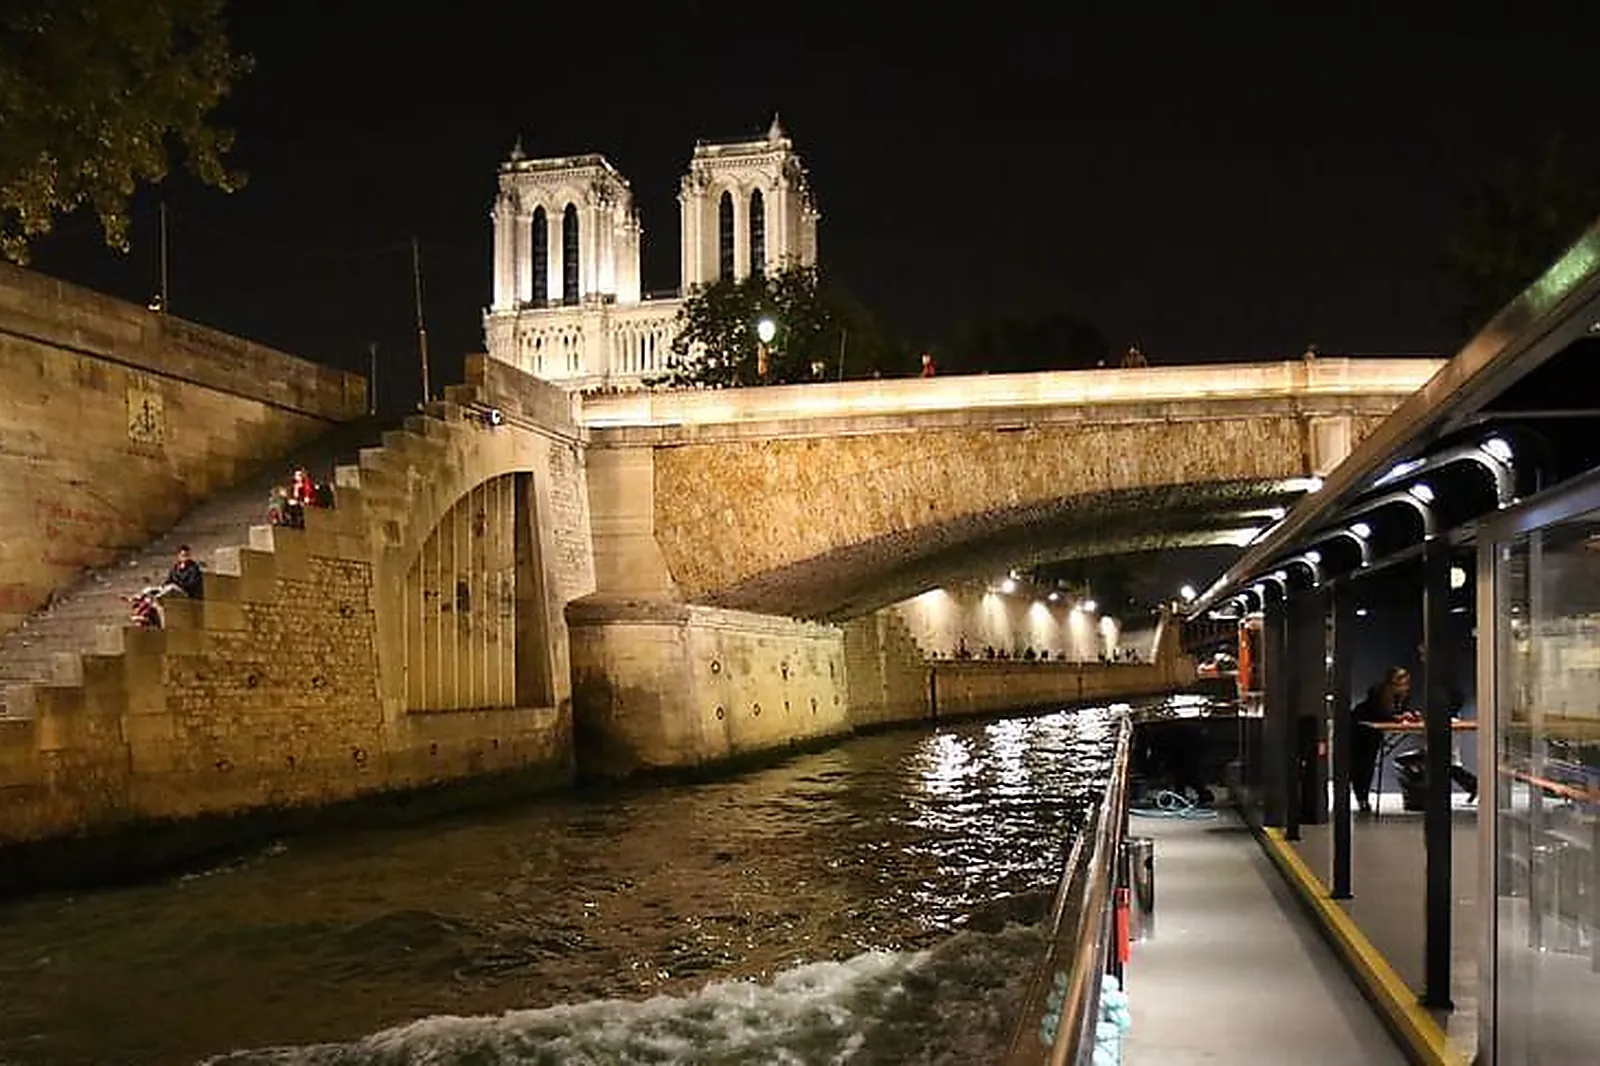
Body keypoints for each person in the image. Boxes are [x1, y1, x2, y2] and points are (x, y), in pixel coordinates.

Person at [1350, 666, 1412, 814]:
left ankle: (1362, 798)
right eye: (1402, 683)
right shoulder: (1378, 692)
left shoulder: (1401, 696)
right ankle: (1362, 798)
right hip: (1359, 727)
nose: (1405, 687)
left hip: (1374, 730)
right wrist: (1398, 718)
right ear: (1393, 683)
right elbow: (1379, 714)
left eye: (1406, 683)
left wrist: (1406, 715)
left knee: (1367, 764)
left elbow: (1395, 713)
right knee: (1361, 765)